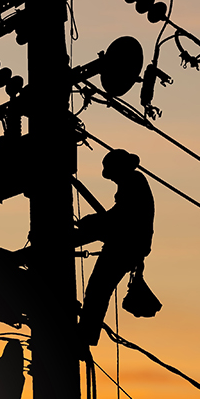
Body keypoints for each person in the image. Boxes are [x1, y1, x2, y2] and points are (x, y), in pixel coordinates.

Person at [75, 149, 156, 347]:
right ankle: (85, 335)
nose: (112, 180)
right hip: (129, 246)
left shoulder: (133, 183)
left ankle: (85, 336)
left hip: (125, 247)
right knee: (98, 290)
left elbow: (120, 217)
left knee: (97, 290)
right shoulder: (132, 183)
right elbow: (117, 218)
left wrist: (92, 222)